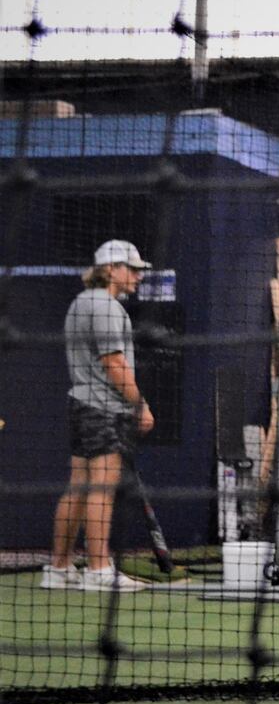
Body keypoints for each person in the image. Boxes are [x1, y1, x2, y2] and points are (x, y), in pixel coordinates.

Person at [42, 240, 155, 593]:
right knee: (101, 489)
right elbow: (114, 363)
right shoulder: (105, 306)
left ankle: (58, 568)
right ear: (110, 270)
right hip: (103, 410)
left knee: (79, 485)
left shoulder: (81, 303)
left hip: (81, 405)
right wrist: (141, 405)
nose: (137, 276)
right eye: (131, 269)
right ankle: (99, 570)